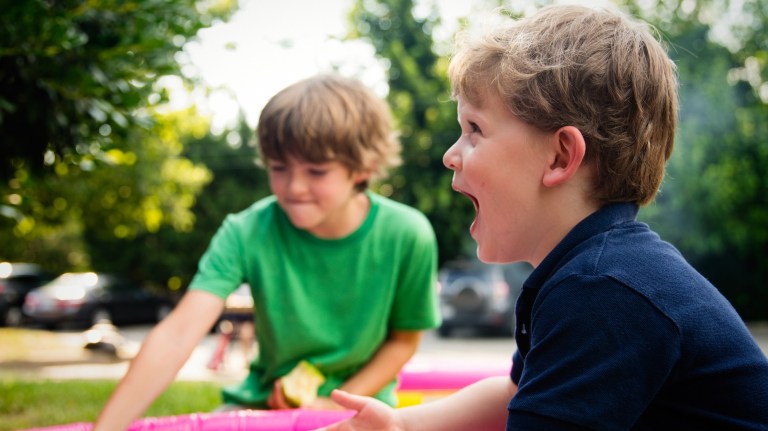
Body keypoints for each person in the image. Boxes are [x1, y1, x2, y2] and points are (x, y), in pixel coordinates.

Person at [316, 5, 768, 431]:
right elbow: (515, 394)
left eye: (474, 129)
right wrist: (403, 424)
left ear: (560, 156)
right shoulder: (591, 270)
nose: (450, 155)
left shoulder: (603, 290)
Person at [92, 73, 441, 430]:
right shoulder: (245, 231)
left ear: (363, 168)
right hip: (262, 407)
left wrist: (329, 404)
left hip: (363, 411)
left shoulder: (408, 234)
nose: (294, 187)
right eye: (279, 168)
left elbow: (403, 340)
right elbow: (179, 332)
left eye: (317, 171)